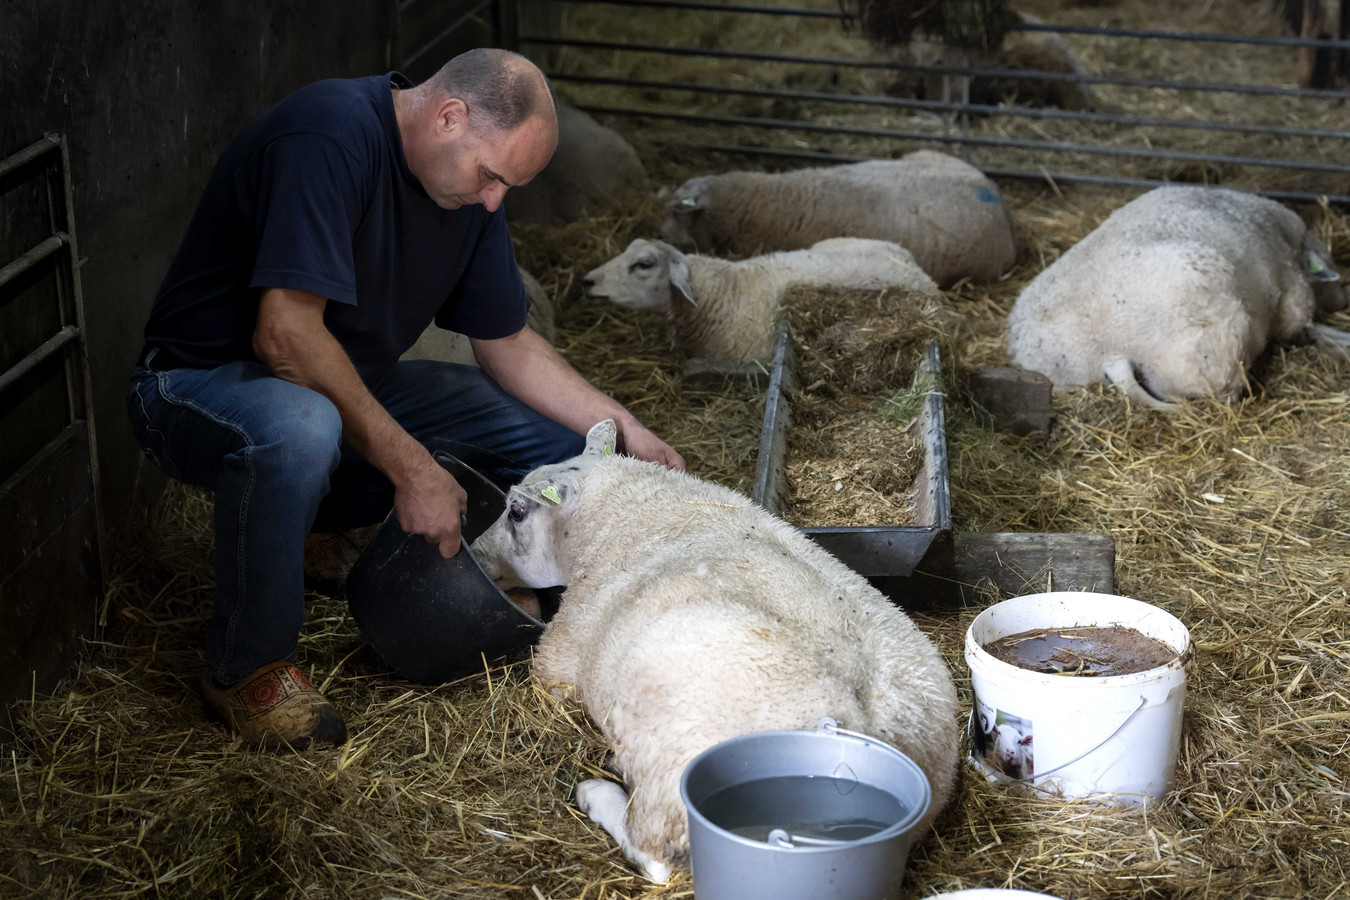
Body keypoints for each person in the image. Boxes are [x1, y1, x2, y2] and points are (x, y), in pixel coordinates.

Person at [126, 48, 683, 750]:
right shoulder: (328, 136)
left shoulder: (471, 192)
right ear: (449, 116)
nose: (494, 202)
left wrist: (621, 426)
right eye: (492, 177)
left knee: (564, 444)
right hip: (199, 386)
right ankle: (247, 666)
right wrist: (415, 470)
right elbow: (285, 335)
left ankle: (567, 604)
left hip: (339, 390)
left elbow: (508, 342)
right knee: (302, 427)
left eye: (508, 186)